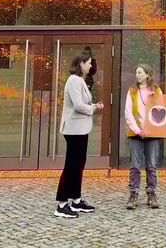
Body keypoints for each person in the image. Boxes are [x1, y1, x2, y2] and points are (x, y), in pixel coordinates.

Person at [54, 52, 103, 218]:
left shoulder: (80, 81)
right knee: (71, 166)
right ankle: (61, 204)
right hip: (74, 129)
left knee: (78, 165)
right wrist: (94, 108)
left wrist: (93, 105)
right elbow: (78, 106)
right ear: (81, 64)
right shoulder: (74, 80)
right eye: (89, 63)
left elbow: (84, 103)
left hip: (81, 129)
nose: (90, 66)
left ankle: (76, 200)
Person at [124, 64, 164, 209]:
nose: (137, 75)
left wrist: (155, 100)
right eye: (136, 72)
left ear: (147, 74)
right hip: (136, 134)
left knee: (151, 166)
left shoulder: (157, 90)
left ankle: (151, 193)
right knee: (135, 165)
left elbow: (162, 111)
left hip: (152, 133)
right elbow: (128, 112)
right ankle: (133, 193)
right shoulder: (132, 91)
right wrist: (137, 130)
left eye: (140, 72)